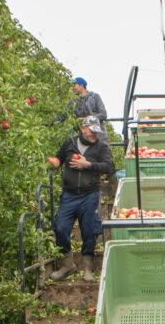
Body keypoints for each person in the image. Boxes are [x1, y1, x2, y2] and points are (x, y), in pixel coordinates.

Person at [47, 116, 115, 281]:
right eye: (92, 131)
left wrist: (89, 165)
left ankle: (88, 268)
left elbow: (110, 166)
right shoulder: (69, 143)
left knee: (89, 230)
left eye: (96, 132)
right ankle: (67, 264)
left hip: (89, 194)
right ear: (83, 128)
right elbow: (59, 159)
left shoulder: (101, 147)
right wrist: (53, 162)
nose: (94, 135)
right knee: (61, 227)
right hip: (69, 194)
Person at [70, 77, 109, 143]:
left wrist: (85, 119)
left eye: (74, 85)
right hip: (84, 138)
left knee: (103, 152)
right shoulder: (73, 101)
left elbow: (103, 114)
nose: (72, 88)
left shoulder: (95, 97)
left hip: (99, 136)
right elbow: (63, 114)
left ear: (81, 85)